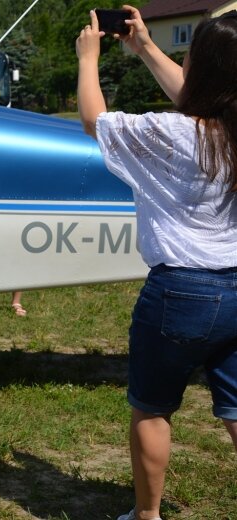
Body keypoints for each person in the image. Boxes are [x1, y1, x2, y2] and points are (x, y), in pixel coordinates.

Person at [77, 7, 237, 520]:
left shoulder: (171, 133)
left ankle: (147, 514)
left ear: (202, 66)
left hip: (179, 291)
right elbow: (199, 98)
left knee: (152, 407)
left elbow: (92, 120)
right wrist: (145, 47)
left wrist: (88, 58)